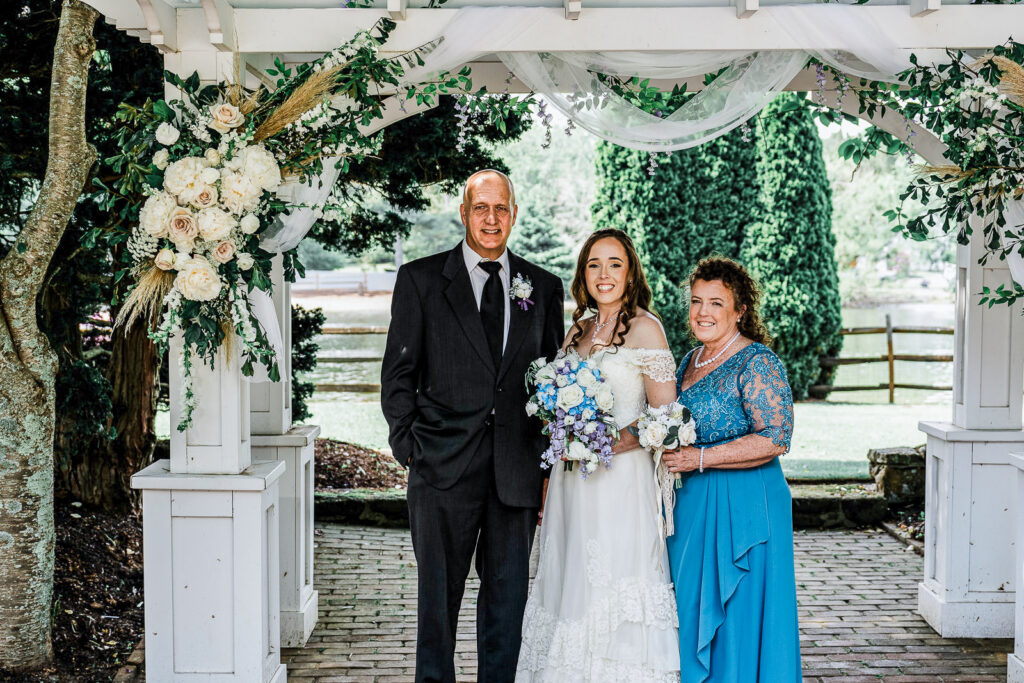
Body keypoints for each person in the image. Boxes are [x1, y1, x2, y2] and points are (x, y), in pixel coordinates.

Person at [380, 169, 565, 683]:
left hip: (515, 471)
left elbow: (549, 380)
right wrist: (410, 449)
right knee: (437, 603)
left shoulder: (543, 287)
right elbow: (398, 376)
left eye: (501, 208)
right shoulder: (420, 281)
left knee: (508, 604)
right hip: (440, 469)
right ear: (463, 213)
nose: (491, 218)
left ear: (513, 215)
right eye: (480, 208)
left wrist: (546, 464)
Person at [516, 228, 681, 683]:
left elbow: (666, 420)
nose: (603, 274)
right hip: (573, 483)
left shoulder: (647, 328)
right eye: (593, 264)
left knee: (615, 579)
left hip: (620, 483)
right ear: (582, 274)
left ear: (630, 273)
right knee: (571, 584)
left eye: (614, 264)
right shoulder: (578, 329)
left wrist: (608, 440)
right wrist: (562, 430)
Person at [661, 256, 801, 682]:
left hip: (746, 508)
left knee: (738, 614)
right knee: (691, 606)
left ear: (740, 310)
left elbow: (776, 436)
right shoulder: (689, 360)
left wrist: (700, 458)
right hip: (692, 505)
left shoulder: (758, 362)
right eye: (696, 301)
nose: (703, 312)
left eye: (716, 303)